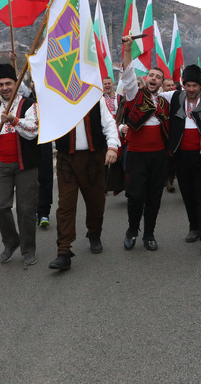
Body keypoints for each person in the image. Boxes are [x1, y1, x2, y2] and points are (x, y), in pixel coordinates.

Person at [47, 94, 121, 271]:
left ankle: (94, 233)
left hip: (93, 158)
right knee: (65, 205)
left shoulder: (95, 98)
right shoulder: (57, 99)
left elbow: (109, 124)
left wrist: (112, 147)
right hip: (66, 159)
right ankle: (63, 250)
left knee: (96, 202)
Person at [0, 64, 40, 266]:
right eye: (1, 84)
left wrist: (14, 120)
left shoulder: (29, 104)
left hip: (25, 165)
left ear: (16, 84)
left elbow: (33, 131)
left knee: (26, 210)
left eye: (8, 83)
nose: (5, 87)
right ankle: (11, 241)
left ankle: (28, 249)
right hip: (2, 165)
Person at [118, 35, 170, 251]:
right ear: (146, 78)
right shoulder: (133, 95)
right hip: (137, 154)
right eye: (151, 75)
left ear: (161, 82)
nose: (154, 78)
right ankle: (132, 229)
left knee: (154, 197)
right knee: (136, 195)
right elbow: (128, 74)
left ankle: (149, 233)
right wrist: (128, 49)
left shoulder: (166, 102)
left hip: (158, 155)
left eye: (158, 77)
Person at [163, 64, 201, 252]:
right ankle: (194, 228)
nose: (191, 89)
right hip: (181, 156)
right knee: (187, 194)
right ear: (183, 85)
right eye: (188, 85)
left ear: (200, 85)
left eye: (195, 85)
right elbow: (151, 95)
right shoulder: (174, 97)